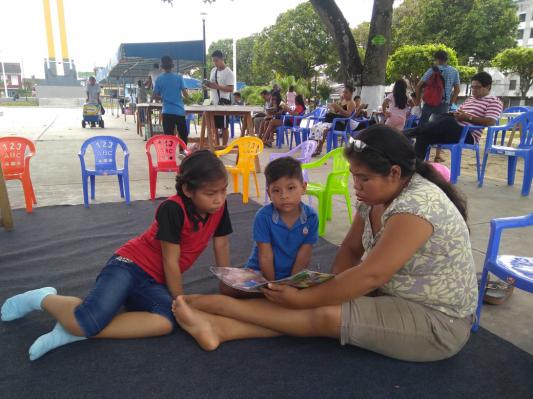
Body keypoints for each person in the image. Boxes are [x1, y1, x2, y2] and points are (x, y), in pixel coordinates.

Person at [172, 125, 478, 363]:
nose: (355, 186)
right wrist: (326, 291)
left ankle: (220, 307)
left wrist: (308, 299)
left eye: (363, 178)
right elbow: (350, 250)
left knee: (326, 316)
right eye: (354, 177)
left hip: (438, 322)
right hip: (394, 296)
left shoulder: (416, 207)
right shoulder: (377, 196)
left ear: (394, 173)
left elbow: (371, 275)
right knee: (327, 308)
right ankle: (222, 329)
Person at [1, 151, 233, 361]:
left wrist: (227, 286)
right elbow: (170, 261)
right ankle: (41, 298)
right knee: (88, 319)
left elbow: (221, 244)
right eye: (211, 193)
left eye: (224, 190)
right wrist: (180, 299)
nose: (219, 199)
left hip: (153, 282)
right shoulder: (172, 209)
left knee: (167, 320)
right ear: (188, 190)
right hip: (128, 266)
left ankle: (77, 332)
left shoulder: (219, 208)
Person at [221, 157, 319, 298]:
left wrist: (291, 283)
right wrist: (272, 284)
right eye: (276, 190)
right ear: (269, 193)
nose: (284, 196)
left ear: (303, 188)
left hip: (292, 274)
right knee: (227, 289)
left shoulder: (311, 217)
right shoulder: (263, 216)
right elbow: (265, 255)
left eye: (291, 188)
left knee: (320, 292)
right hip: (261, 273)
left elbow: (304, 254)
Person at [408, 71, 502, 160]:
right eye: (472, 87)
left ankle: (411, 132)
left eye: (477, 87)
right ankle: (415, 165)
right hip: (452, 130)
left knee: (447, 121)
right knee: (425, 133)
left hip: (467, 135)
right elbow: (459, 112)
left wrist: (468, 118)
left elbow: (490, 122)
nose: (474, 90)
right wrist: (455, 114)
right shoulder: (470, 99)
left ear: (488, 87)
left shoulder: (494, 101)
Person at [415, 50, 460, 162]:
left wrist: (417, 101)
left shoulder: (431, 70)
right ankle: (437, 155)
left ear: (437, 59)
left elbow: (419, 85)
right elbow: (457, 90)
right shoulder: (454, 71)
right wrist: (451, 103)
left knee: (423, 127)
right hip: (444, 104)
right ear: (446, 59)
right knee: (441, 128)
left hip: (429, 103)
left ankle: (419, 155)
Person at [309, 85, 357, 156]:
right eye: (344, 92)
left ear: (351, 93)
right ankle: (314, 147)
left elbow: (348, 115)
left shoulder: (351, 103)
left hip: (340, 123)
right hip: (334, 121)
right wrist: (333, 108)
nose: (344, 94)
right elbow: (337, 112)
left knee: (324, 129)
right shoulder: (343, 101)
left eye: (346, 92)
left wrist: (339, 108)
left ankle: (319, 148)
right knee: (315, 127)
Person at [152, 55, 190, 143]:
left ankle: (170, 156)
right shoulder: (179, 77)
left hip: (167, 111)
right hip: (179, 111)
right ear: (172, 66)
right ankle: (183, 152)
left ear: (161, 66)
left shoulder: (159, 79)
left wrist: (163, 97)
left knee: (169, 137)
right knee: (183, 134)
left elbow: (154, 96)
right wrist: (190, 103)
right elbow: (185, 94)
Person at [204, 50, 235, 145]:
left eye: (216, 60)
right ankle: (217, 146)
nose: (215, 63)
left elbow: (231, 89)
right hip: (213, 103)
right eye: (213, 61)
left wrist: (217, 86)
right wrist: (206, 85)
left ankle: (224, 146)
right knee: (214, 126)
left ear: (222, 59)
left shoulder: (229, 72)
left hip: (224, 103)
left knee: (224, 126)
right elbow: (212, 85)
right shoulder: (213, 70)